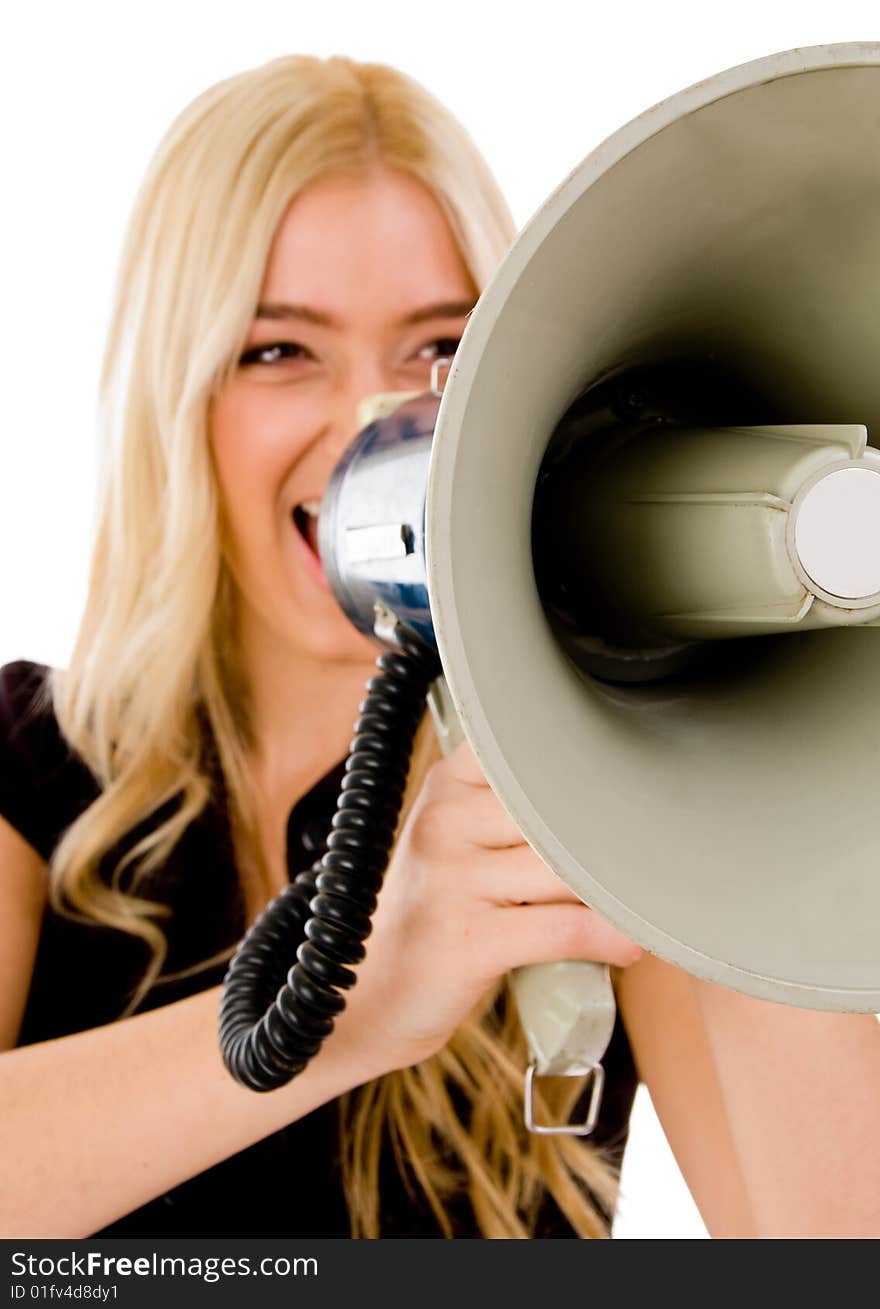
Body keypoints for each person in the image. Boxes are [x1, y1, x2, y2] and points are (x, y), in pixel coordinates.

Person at [0, 54, 877, 1242]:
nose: (378, 417)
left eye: (439, 349)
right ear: (177, 394)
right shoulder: (32, 768)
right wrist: (338, 1014)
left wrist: (732, 768)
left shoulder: (582, 801)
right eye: (277, 351)